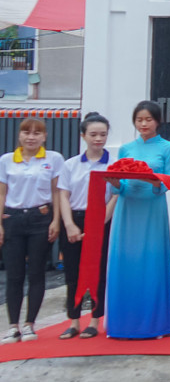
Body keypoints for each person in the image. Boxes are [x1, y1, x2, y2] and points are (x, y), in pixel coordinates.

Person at [104, 102, 170, 340]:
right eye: (139, 120)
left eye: (148, 120)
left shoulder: (168, 148)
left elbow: (166, 183)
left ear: (157, 121)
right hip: (128, 210)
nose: (143, 124)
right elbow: (121, 185)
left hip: (152, 210)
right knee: (125, 262)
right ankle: (121, 324)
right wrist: (115, 182)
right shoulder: (126, 148)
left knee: (151, 263)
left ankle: (156, 324)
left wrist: (153, 180)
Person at [0, 117, 60, 344]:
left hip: (41, 218)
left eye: (37, 133)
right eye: (27, 132)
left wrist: (55, 221)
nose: (31, 137)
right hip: (13, 218)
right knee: (14, 275)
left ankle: (29, 325)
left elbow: (57, 193)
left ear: (44, 136)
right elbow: (2, 194)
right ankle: (13, 325)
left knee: (36, 273)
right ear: (19, 135)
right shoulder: (6, 160)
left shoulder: (53, 159)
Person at [55, 112, 113, 340]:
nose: (98, 139)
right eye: (93, 134)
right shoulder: (70, 165)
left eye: (103, 135)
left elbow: (115, 196)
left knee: (99, 272)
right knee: (73, 272)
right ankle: (74, 321)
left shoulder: (113, 164)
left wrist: (100, 223)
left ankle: (95, 321)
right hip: (74, 220)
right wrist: (68, 224)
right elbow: (63, 196)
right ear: (83, 136)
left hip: (101, 220)